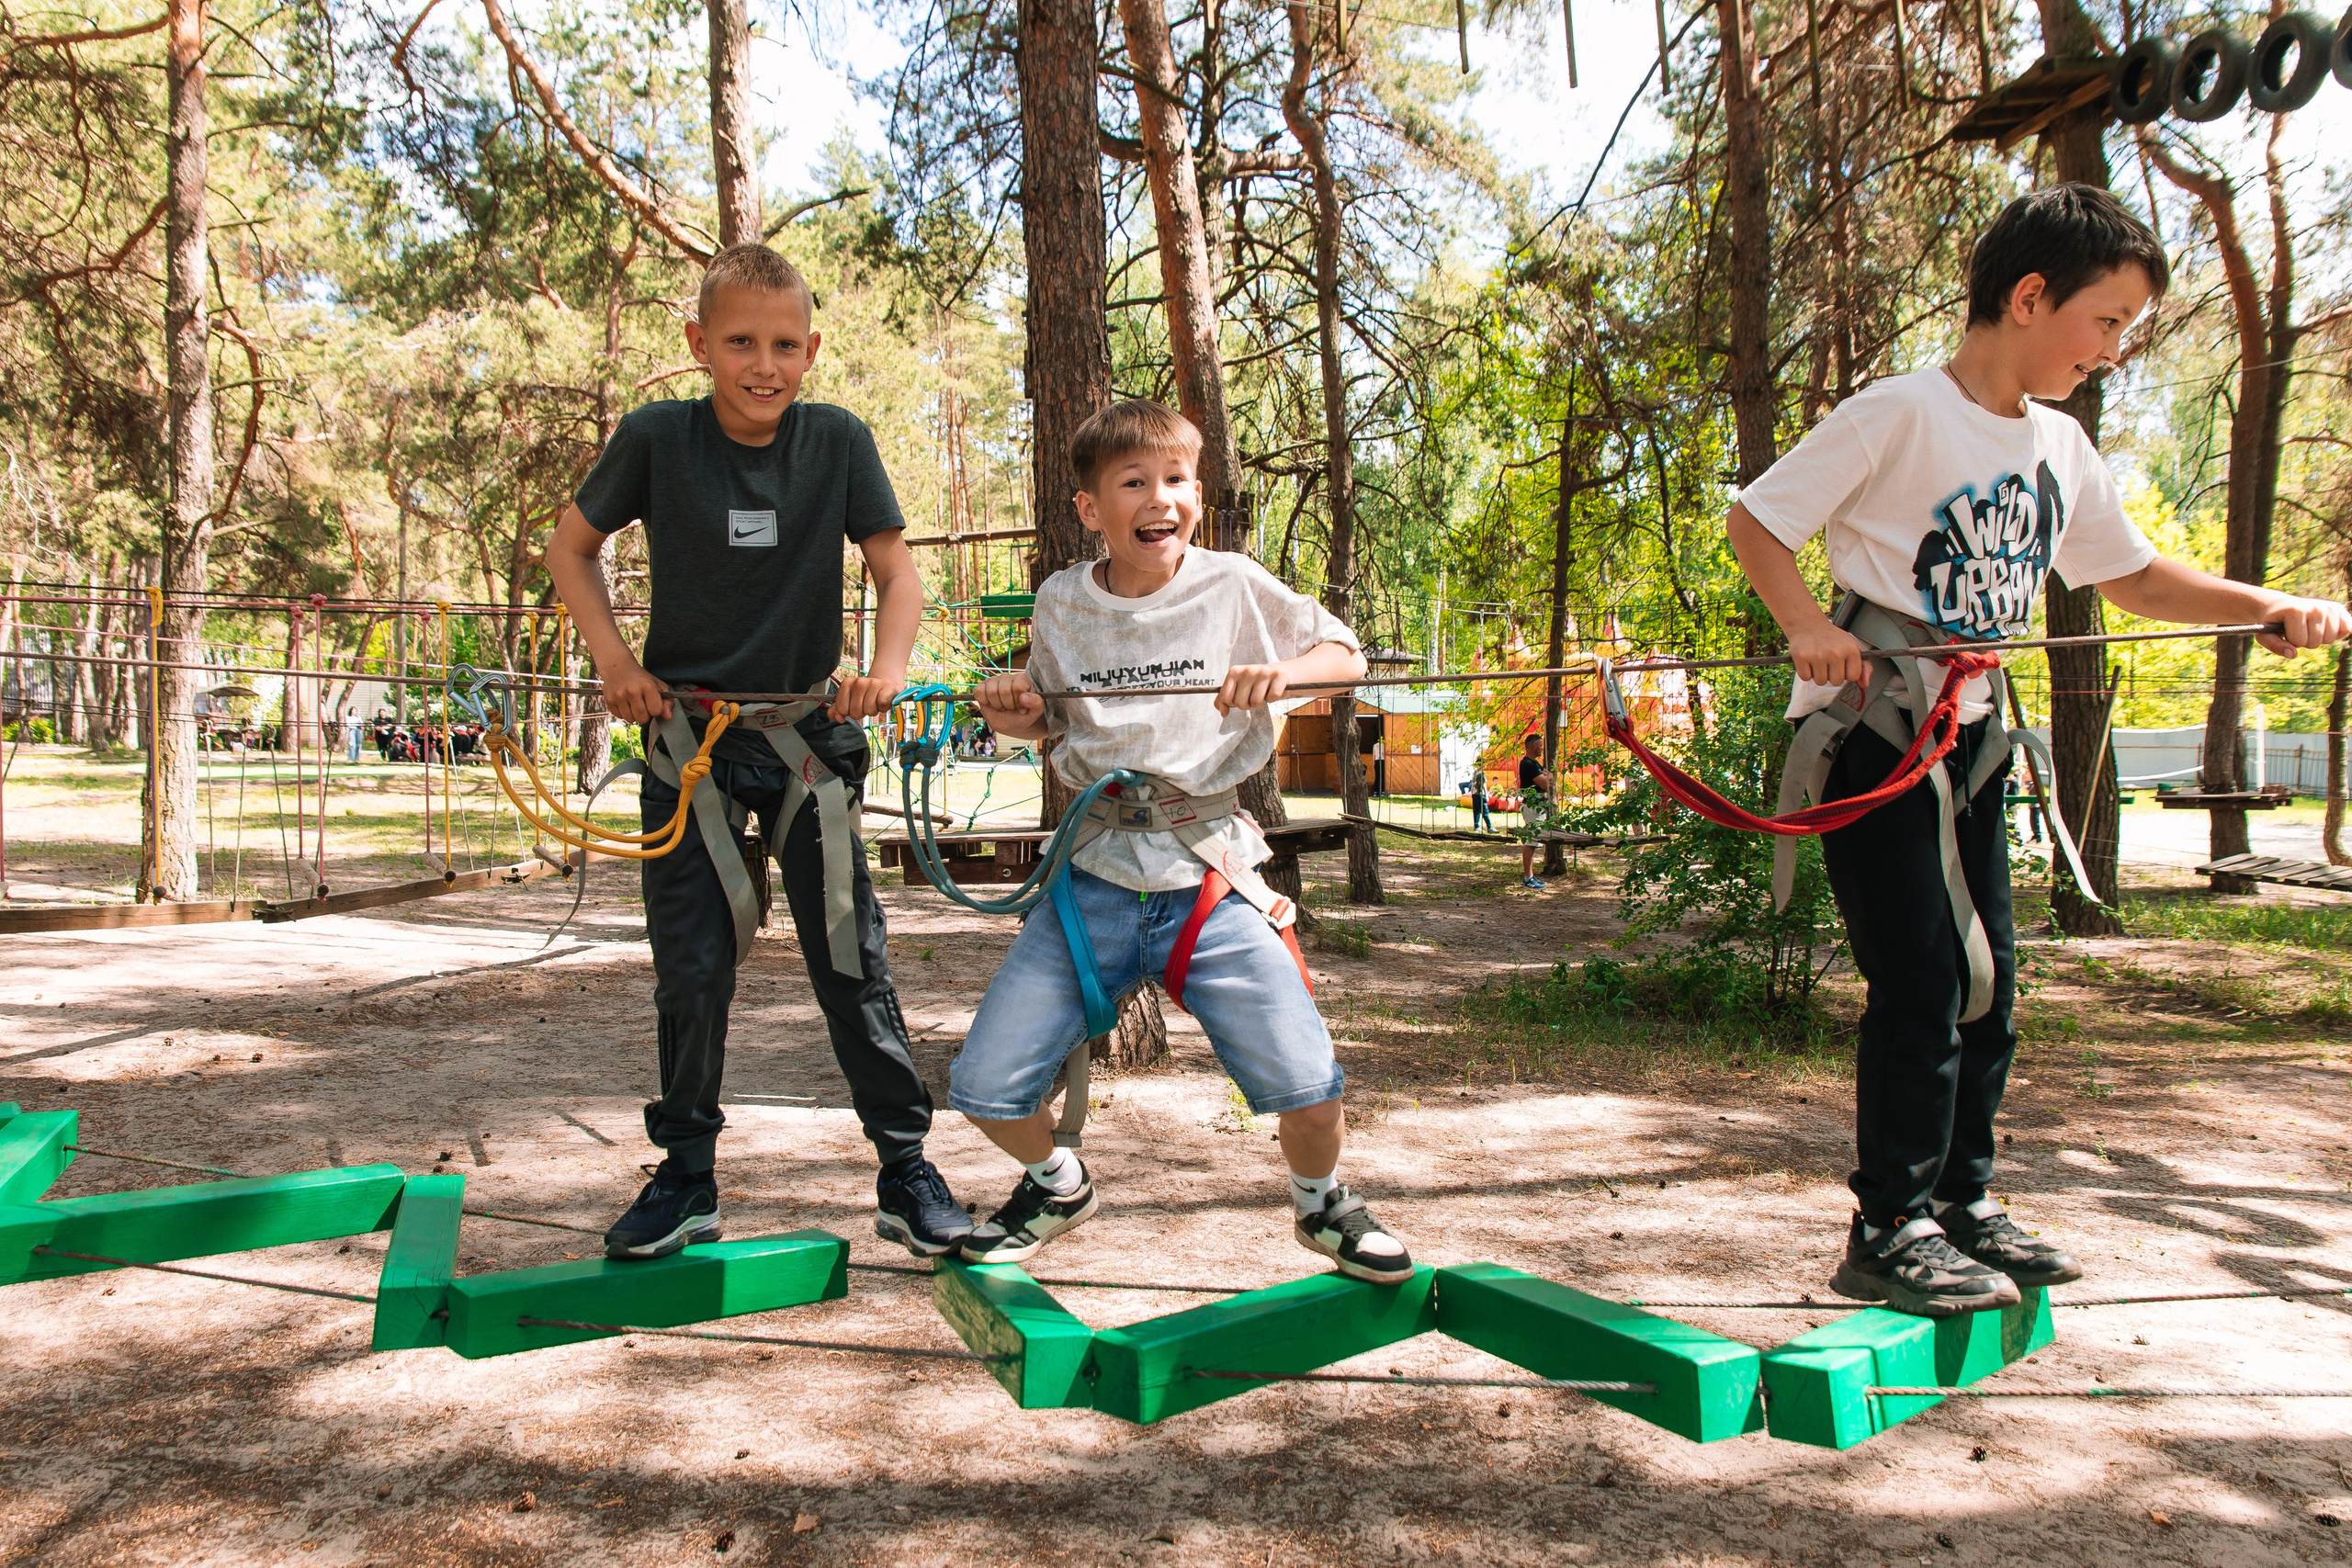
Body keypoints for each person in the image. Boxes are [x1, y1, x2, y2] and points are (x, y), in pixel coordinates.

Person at [1727, 184, 2352, 1317]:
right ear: (2028, 297)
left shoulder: (2060, 446)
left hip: (1971, 739)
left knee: (1991, 979)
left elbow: (2129, 576)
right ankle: (1889, 1226)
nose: (2115, 349)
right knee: (1922, 975)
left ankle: (1961, 1203)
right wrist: (1810, 629)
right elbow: (1759, 520)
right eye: (2106, 321)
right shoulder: (1899, 413)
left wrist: (2259, 603)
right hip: (1876, 732)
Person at [546, 243, 972, 1262]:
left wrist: (887, 665)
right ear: (699, 344)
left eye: (784, 344)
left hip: (806, 743)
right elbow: (571, 548)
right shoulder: (656, 438)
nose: (762, 363)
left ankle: (905, 1168)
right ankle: (686, 1175)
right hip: (685, 743)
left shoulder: (835, 443)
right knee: (690, 969)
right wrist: (614, 661)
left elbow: (894, 573)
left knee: (849, 961)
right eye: (739, 342)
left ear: (812, 349)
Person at [959, 400, 1414, 1284]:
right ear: (1092, 508)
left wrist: (1284, 670)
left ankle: (1322, 1206)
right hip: (1092, 874)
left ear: (1196, 493)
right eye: (1134, 483)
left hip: (1207, 869)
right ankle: (1056, 1185)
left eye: (1176, 480)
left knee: (1310, 1084)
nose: (1160, 498)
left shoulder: (1233, 584)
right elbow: (1049, 726)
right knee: (984, 1085)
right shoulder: (1062, 601)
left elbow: (1346, 655)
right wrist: (1013, 714)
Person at [1515, 734, 1551, 890]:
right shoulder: (1528, 764)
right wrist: (1548, 777)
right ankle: (1527, 878)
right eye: (1541, 745)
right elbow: (1546, 783)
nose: (1542, 748)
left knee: (1535, 842)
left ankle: (1530, 875)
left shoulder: (1535, 763)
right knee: (1531, 842)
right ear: (1534, 746)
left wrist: (1548, 777)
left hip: (1538, 806)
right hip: (1532, 806)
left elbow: (1548, 778)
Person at [1468, 766, 1493, 833]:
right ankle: (1489, 827)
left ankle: (1477, 826)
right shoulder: (1481, 774)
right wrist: (1486, 795)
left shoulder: (1474, 773)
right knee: (1485, 811)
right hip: (1480, 794)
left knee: (1476, 811)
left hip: (1474, 794)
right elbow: (1484, 785)